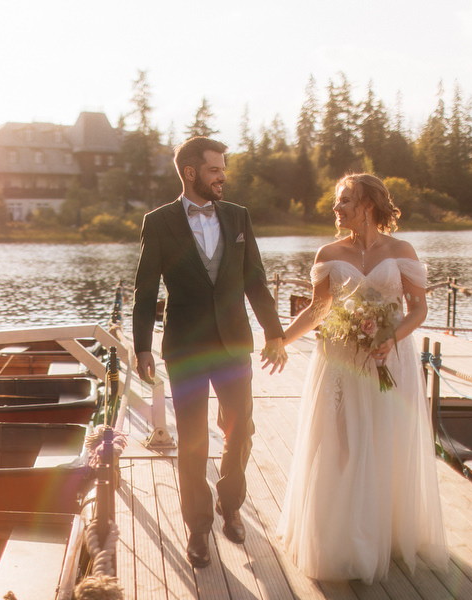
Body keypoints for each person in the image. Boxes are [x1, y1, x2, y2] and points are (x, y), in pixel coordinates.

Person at [276, 173, 448, 583]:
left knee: (387, 442)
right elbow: (319, 310)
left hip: (391, 359)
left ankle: (383, 533)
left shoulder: (401, 250)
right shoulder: (328, 252)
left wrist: (391, 337)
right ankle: (343, 540)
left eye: (344, 200)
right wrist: (280, 340)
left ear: (368, 205)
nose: (336, 209)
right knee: (342, 445)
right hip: (341, 362)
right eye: (337, 202)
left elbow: (418, 310)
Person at [132, 136, 288, 568]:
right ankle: (198, 528)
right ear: (190, 172)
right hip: (185, 346)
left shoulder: (238, 216)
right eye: (215, 169)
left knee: (241, 429)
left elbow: (255, 278)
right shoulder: (159, 222)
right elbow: (145, 290)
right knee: (193, 439)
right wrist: (142, 345)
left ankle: (231, 503)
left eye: (223, 168)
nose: (223, 176)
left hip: (234, 341)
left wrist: (275, 332)